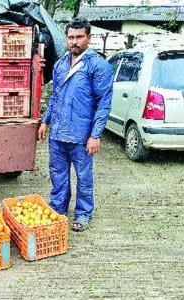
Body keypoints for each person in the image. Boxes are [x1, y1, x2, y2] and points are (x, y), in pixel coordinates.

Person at [38, 18, 113, 232]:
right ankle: (59, 208)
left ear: (88, 38)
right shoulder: (61, 64)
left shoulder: (97, 65)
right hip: (58, 134)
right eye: (71, 37)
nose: (74, 41)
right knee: (58, 174)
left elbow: (104, 103)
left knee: (84, 177)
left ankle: (83, 213)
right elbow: (54, 96)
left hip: (82, 135)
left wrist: (96, 135)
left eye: (79, 37)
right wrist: (45, 122)